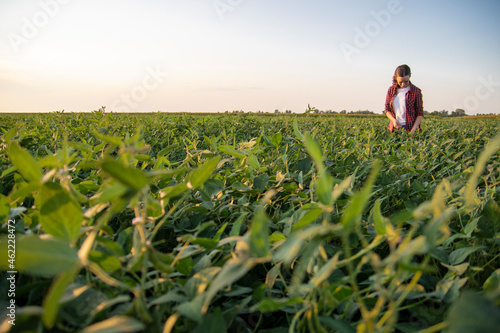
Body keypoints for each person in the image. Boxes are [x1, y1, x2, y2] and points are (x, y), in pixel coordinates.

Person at [384, 64, 423, 133]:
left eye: (406, 81)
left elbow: (419, 113)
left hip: (410, 128)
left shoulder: (416, 91)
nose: (403, 84)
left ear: (410, 76)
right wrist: (393, 120)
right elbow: (387, 109)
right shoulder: (391, 90)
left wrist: (413, 130)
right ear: (396, 77)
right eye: (400, 82)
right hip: (394, 128)